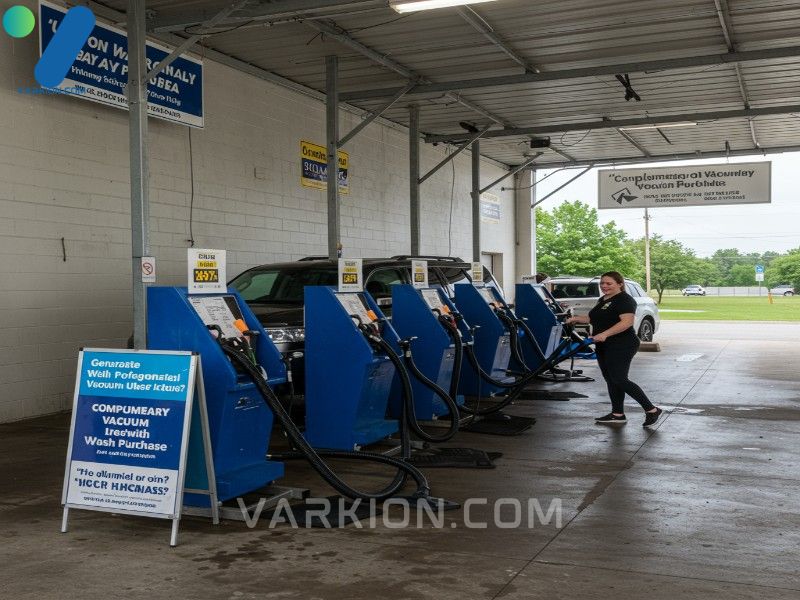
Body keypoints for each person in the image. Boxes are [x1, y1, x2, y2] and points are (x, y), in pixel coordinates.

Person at [565, 271, 663, 428]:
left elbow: (626, 322)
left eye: (609, 283)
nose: (604, 286)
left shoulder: (625, 300)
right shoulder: (603, 299)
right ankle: (617, 414)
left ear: (620, 284)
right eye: (602, 283)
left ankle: (651, 409)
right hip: (604, 344)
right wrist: (576, 319)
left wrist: (604, 334)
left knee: (619, 378)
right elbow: (595, 318)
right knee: (611, 379)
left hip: (622, 344)